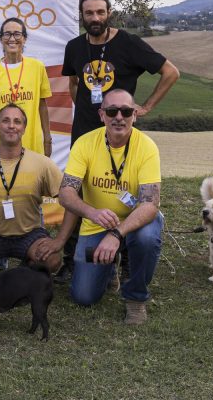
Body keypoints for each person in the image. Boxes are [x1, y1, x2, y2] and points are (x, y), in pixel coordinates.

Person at [37, 89, 163, 324]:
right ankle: (108, 265)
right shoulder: (85, 143)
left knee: (146, 237)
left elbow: (150, 204)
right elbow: (66, 194)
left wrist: (116, 233)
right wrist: (91, 213)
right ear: (101, 115)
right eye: (112, 111)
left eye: (126, 111)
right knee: (83, 296)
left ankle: (135, 298)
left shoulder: (147, 147)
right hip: (96, 226)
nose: (119, 117)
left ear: (134, 115)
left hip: (133, 222)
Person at [0, 104, 63, 272]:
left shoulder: (42, 163)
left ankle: (25, 271)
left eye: (17, 121)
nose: (12, 125)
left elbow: (70, 201)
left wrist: (59, 240)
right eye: (5, 121)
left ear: (24, 128)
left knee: (51, 260)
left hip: (30, 234)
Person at [62, 0, 179, 143]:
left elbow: (171, 73)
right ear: (82, 15)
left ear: (109, 13)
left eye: (100, 12)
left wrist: (146, 107)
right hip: (83, 134)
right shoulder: (74, 47)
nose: (95, 18)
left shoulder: (128, 43)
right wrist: (84, 110)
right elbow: (73, 83)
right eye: (89, 13)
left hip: (118, 133)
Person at [0, 17, 53, 155]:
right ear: (1, 39)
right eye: (7, 34)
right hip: (0, 146)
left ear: (24, 38)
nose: (12, 38)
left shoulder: (37, 67)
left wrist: (47, 139)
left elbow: (42, 105)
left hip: (32, 145)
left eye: (17, 34)